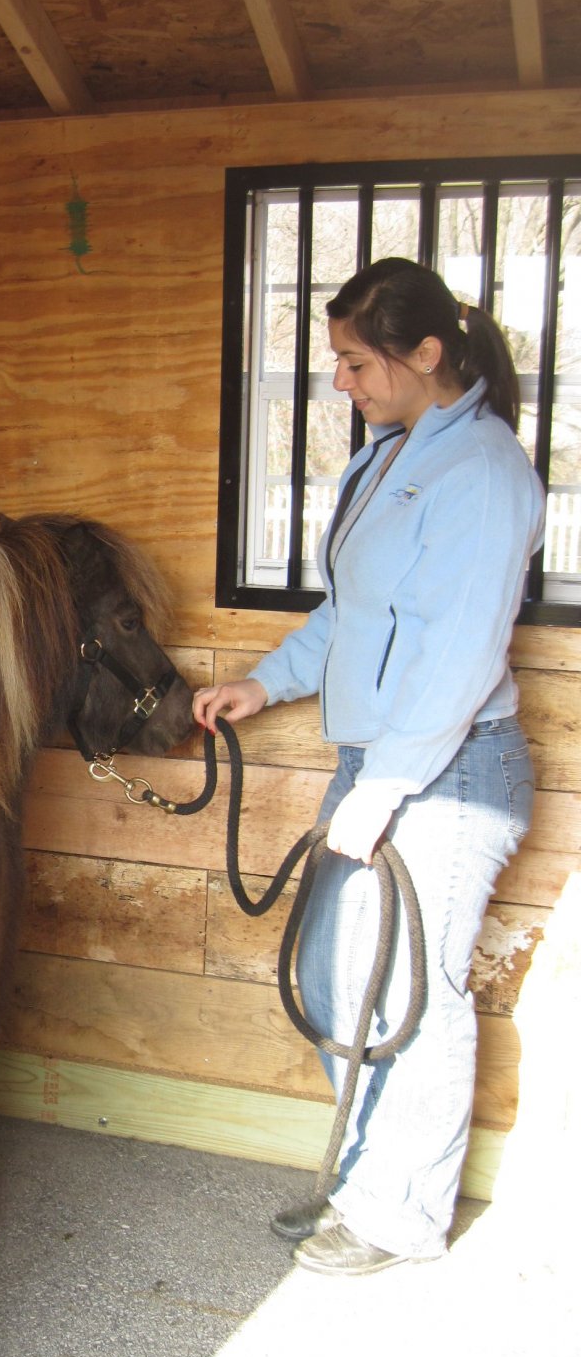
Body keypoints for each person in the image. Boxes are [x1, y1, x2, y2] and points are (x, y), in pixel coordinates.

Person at [194, 256, 545, 1276]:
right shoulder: (386, 460)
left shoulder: (483, 472)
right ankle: (363, 1182)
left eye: (355, 362)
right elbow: (353, 614)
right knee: (330, 975)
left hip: (449, 774)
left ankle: (401, 1217)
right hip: (383, 763)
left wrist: (385, 788)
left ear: (426, 353)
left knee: (409, 994)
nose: (340, 382)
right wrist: (265, 683)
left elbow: (459, 651)